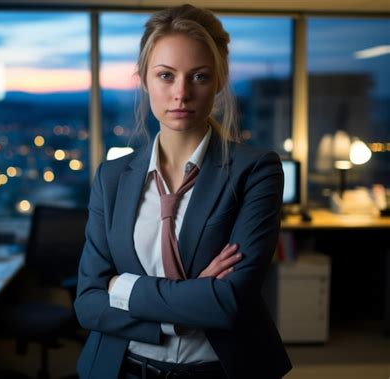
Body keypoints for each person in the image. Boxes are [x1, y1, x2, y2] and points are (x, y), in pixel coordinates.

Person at [75, 4, 292, 379]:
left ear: (219, 81)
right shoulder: (111, 178)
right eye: (165, 75)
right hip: (121, 369)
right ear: (144, 78)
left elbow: (228, 303)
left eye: (199, 76)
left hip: (217, 371)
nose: (181, 93)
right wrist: (187, 305)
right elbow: (88, 304)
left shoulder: (256, 171)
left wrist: (124, 288)